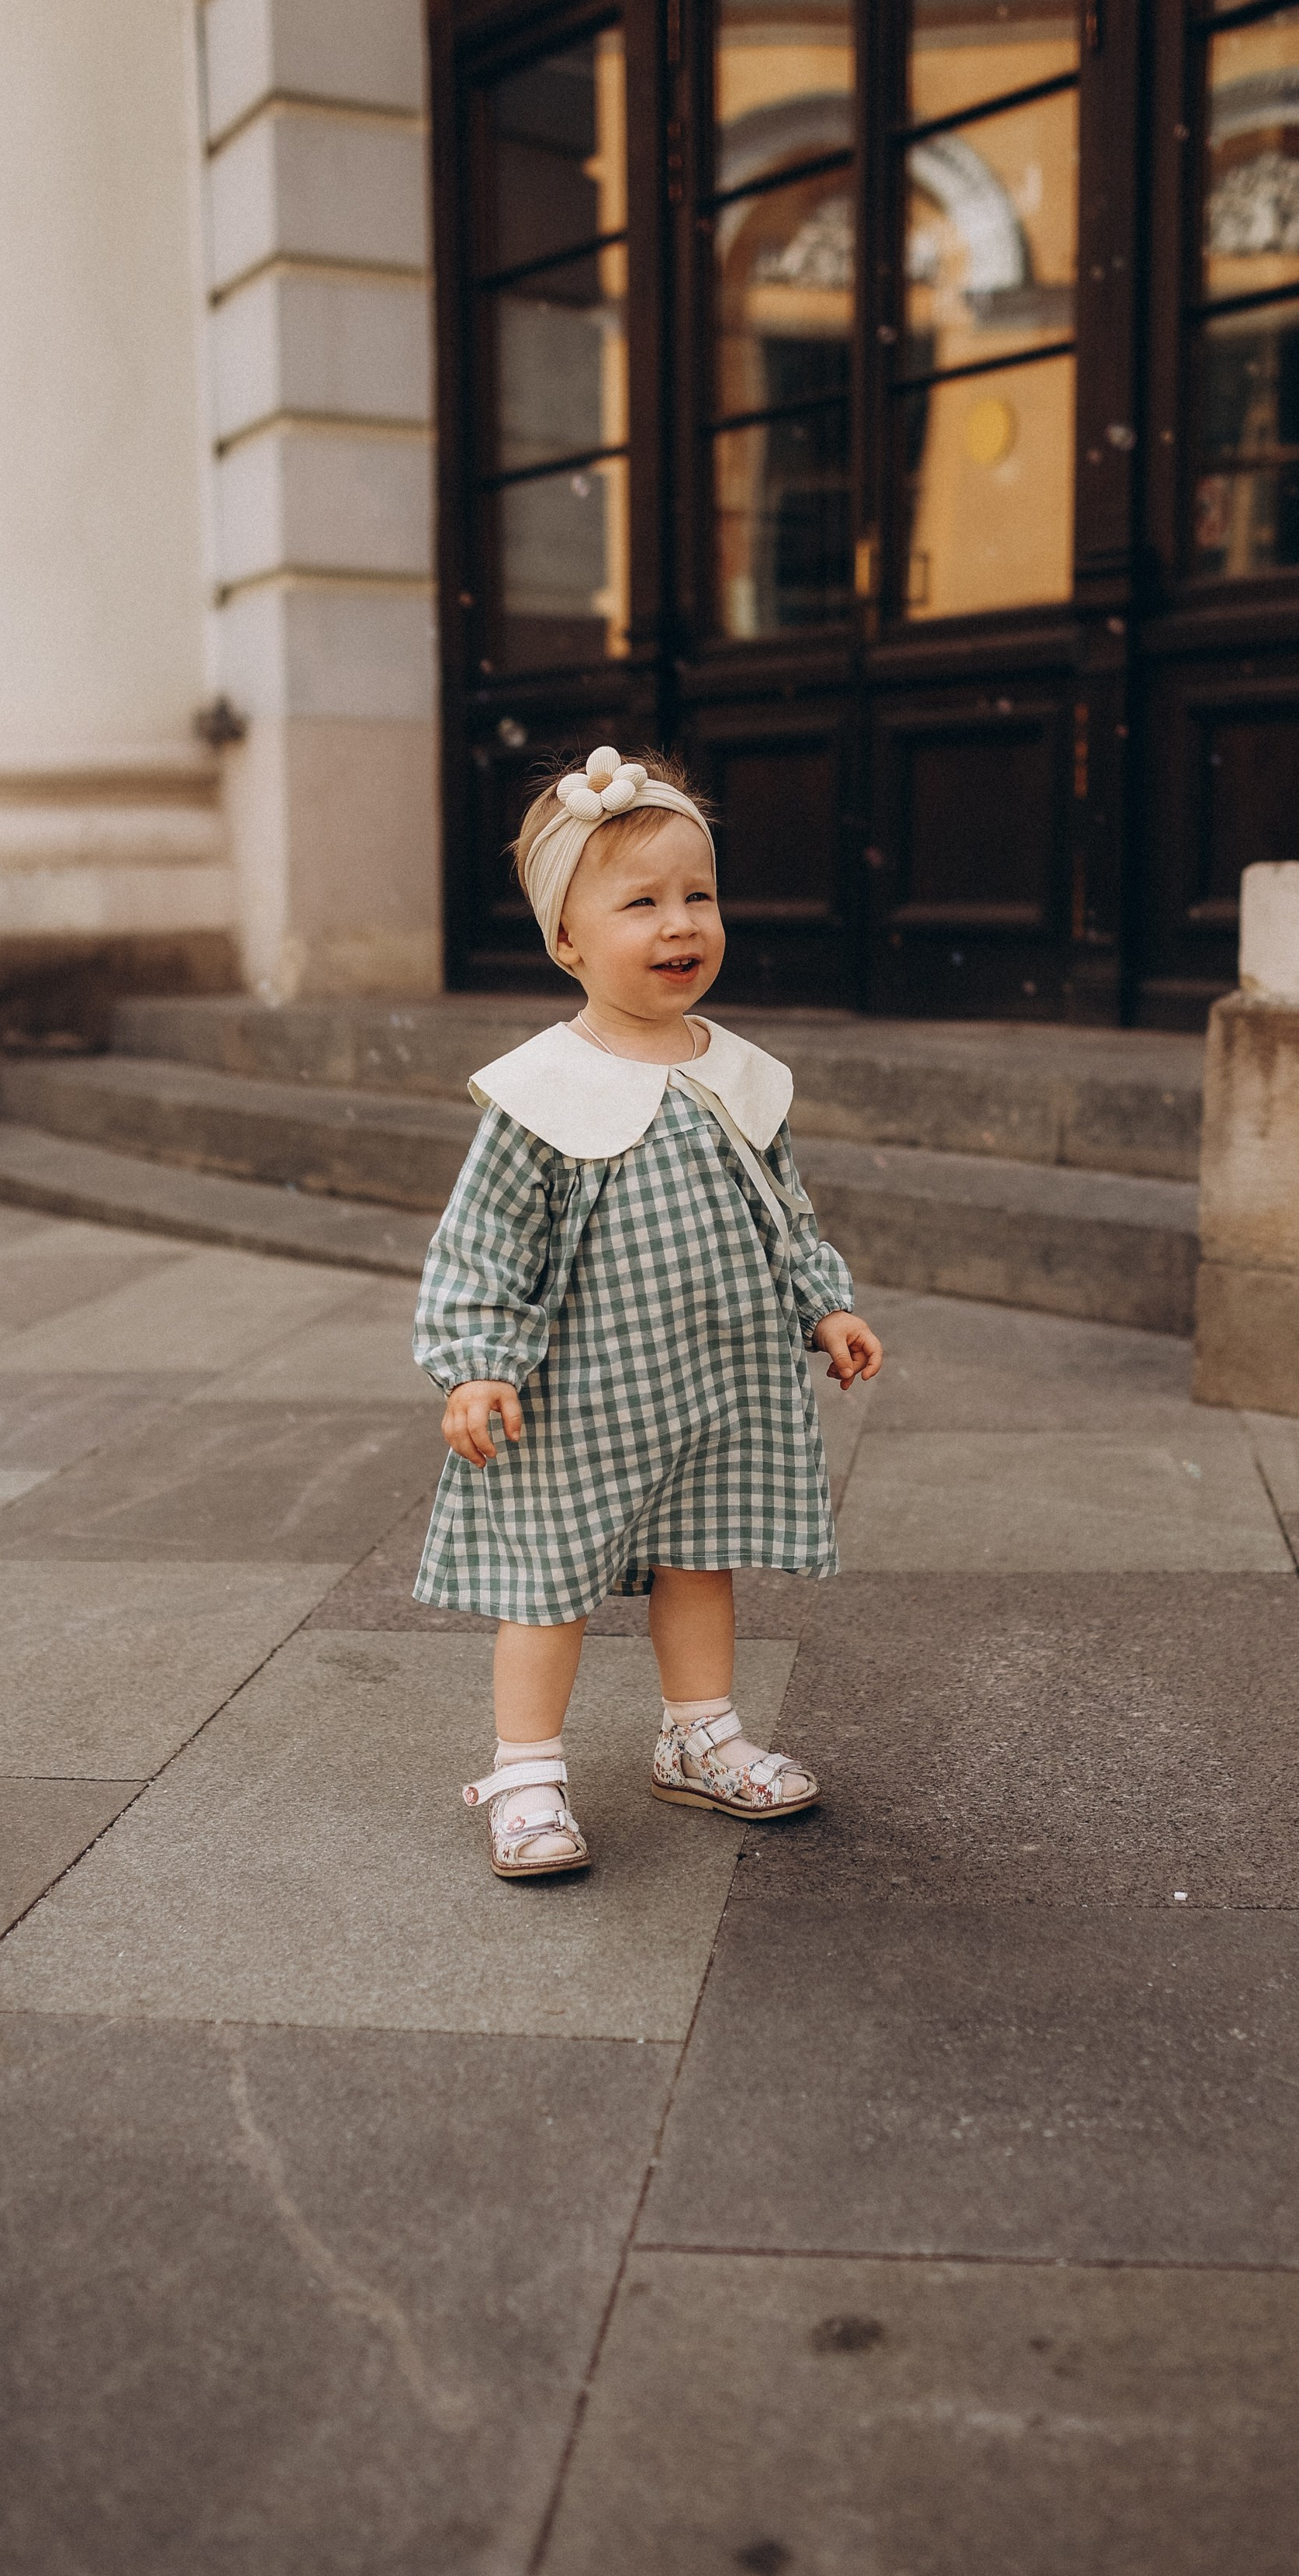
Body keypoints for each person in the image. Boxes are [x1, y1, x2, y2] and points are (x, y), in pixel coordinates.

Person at [411, 746, 883, 1879]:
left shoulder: (734, 1072)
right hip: (579, 1390)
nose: (681, 924)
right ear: (566, 941)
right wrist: (477, 1364)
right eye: (641, 904)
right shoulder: (541, 1090)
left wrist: (824, 1303)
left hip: (714, 1381)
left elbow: (781, 1205)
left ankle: (698, 1733)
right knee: (547, 1578)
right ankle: (524, 1772)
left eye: (698, 896)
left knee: (701, 1556)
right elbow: (483, 1240)